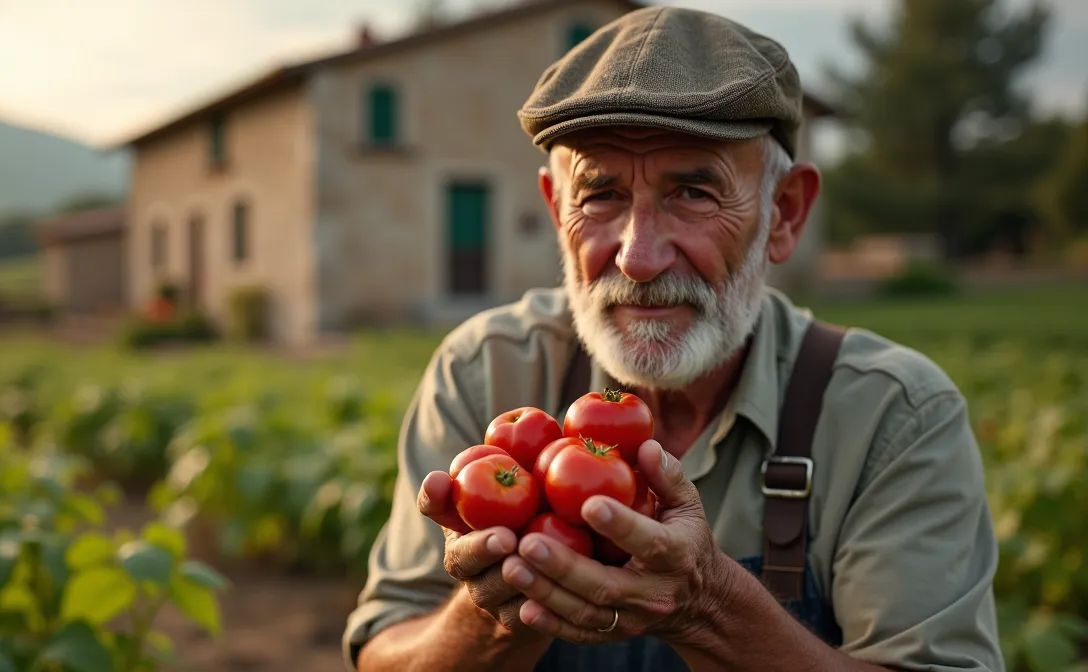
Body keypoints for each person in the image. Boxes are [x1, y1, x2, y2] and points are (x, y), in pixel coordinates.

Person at [341, 6, 1004, 672]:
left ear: (785, 213)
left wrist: (712, 607)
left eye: (692, 191)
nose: (639, 257)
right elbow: (383, 654)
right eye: (599, 195)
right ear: (554, 209)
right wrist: (494, 615)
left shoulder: (891, 416)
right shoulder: (487, 371)